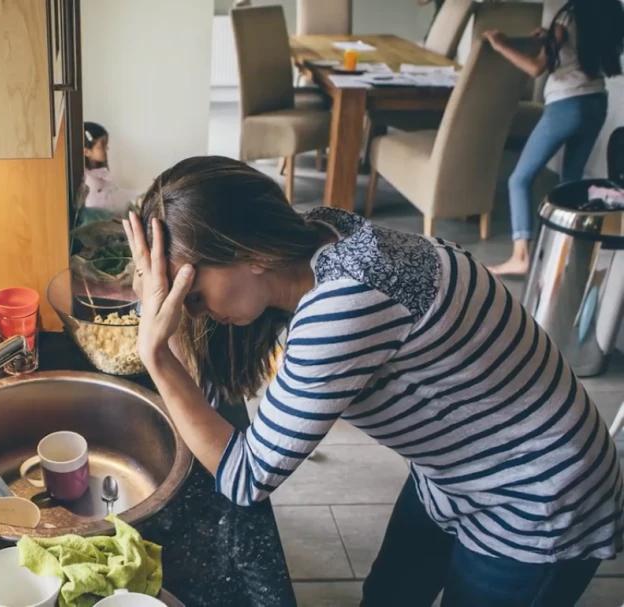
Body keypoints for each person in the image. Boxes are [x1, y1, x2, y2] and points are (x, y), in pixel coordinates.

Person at [123, 156, 622, 606]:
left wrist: (156, 352)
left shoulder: (343, 306)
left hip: (537, 494)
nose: (190, 310)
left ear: (252, 252)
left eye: (190, 293)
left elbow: (244, 477)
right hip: (453, 473)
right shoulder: (320, 234)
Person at [483, 0, 624, 275]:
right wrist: (550, 38)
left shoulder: (569, 17)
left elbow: (536, 68)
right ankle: (569, 251)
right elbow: (581, 47)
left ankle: (520, 256)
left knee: (519, 179)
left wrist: (500, 43)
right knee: (571, 180)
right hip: (596, 101)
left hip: (566, 105)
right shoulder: (604, 11)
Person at [82, 121, 129, 216]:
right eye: (102, 146)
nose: (106, 149)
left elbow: (116, 193)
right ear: (86, 152)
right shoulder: (88, 179)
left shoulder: (101, 172)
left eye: (106, 145)